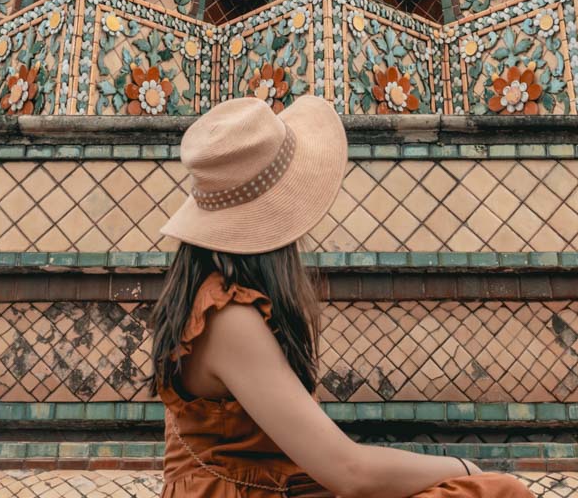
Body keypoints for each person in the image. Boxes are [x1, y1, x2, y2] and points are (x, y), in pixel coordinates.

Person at [152, 95, 534, 498]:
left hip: (274, 489)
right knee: (495, 492)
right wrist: (467, 468)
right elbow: (349, 471)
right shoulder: (227, 317)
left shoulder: (218, 301)